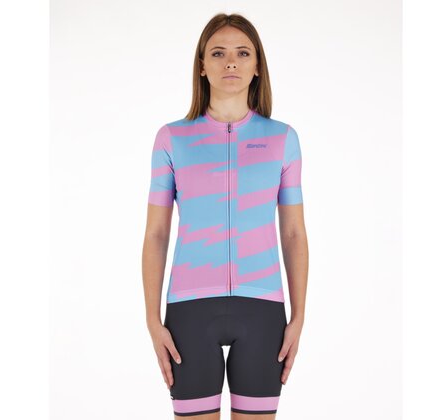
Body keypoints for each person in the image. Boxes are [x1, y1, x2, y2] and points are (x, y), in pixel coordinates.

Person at [142, 13, 309, 419]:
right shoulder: (172, 138)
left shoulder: (282, 139)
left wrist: (299, 317)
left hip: (263, 308)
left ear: (257, 66)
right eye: (218, 53)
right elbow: (157, 234)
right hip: (189, 309)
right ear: (202, 65)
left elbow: (293, 234)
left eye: (242, 53)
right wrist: (152, 319)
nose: (230, 62)